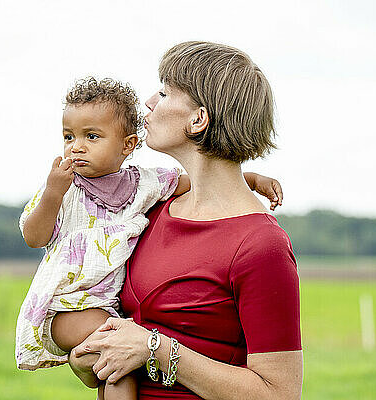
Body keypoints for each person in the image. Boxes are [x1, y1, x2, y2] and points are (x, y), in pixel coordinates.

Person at [15, 77, 285, 400]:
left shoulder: (145, 193)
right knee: (113, 356)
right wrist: (52, 195)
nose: (76, 146)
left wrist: (251, 179)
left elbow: (278, 391)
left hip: (104, 313)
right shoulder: (138, 210)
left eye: (165, 92)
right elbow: (34, 235)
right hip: (70, 307)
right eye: (68, 137)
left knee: (115, 360)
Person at [71, 42, 303, 400]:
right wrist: (89, 358)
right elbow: (115, 354)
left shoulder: (261, 246)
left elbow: (279, 393)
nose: (148, 101)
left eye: (164, 92)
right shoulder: (149, 212)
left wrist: (156, 350)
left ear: (198, 119)